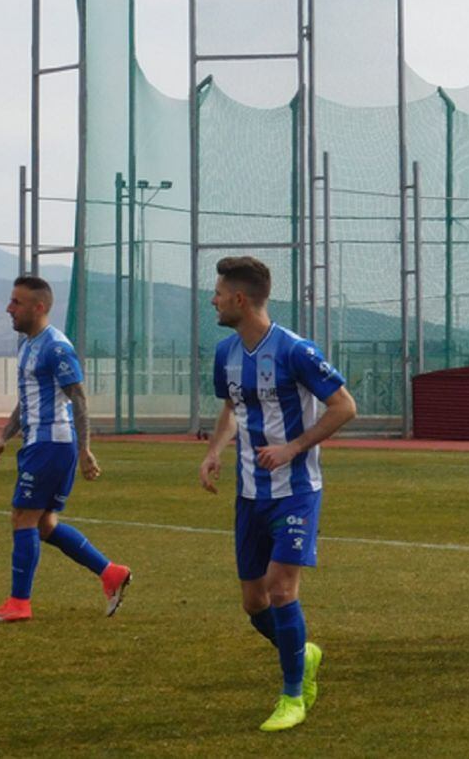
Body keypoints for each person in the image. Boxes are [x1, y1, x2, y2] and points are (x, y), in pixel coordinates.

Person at [198, 256, 357, 732]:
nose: (214, 299)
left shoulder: (295, 351)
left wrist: (293, 447)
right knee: (253, 602)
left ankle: (292, 695)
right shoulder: (226, 352)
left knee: (281, 588)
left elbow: (344, 406)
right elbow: (232, 406)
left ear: (240, 300)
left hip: (296, 492)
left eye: (220, 293)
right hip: (249, 493)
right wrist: (213, 453)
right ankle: (302, 652)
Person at [0, 276, 132, 623]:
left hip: (52, 443)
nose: (9, 309)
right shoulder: (28, 345)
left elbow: (78, 396)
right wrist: (4, 436)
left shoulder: (56, 347)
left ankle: (19, 603)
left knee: (23, 517)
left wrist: (85, 450)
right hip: (40, 443)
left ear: (39, 307)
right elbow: (28, 400)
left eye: (16, 303)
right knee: (45, 524)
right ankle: (111, 573)